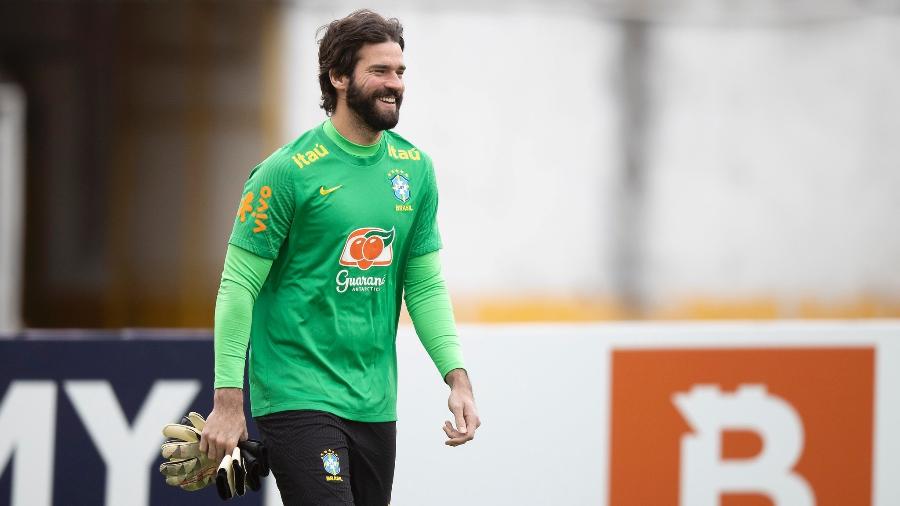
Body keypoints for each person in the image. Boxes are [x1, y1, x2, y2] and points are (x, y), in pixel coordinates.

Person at [198, 9, 480, 505]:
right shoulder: (285, 172)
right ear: (338, 77)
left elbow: (426, 286)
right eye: (379, 71)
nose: (394, 84)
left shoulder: (415, 170)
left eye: (400, 71)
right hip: (298, 395)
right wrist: (228, 402)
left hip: (374, 403)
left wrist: (456, 377)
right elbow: (237, 286)